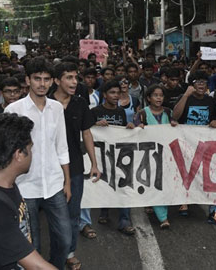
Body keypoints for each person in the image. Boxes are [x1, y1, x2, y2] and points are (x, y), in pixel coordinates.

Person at [4, 56, 72, 269]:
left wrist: (67, 181)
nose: (42, 84)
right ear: (27, 80)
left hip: (54, 185)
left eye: (46, 79)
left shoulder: (57, 109)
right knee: (31, 246)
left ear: (52, 81)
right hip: (25, 187)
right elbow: (7, 153)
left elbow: (62, 147)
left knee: (65, 240)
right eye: (37, 79)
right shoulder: (13, 111)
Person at [0, 113, 56, 270]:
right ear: (18, 154)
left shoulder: (2, 182)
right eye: (30, 149)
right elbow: (38, 267)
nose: (32, 154)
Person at [51, 62, 102, 269]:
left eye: (75, 78)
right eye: (69, 78)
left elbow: (87, 133)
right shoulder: (45, 103)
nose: (74, 82)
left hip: (75, 170)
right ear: (57, 81)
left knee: (72, 215)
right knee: (54, 218)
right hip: (50, 171)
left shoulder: (80, 104)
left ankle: (69, 252)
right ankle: (54, 256)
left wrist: (94, 163)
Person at [172, 71, 216, 225]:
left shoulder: (210, 101)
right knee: (185, 174)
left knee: (209, 175)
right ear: (191, 85)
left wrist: (215, 122)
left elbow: (214, 119)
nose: (200, 85)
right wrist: (185, 96)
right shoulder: (184, 98)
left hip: (204, 145)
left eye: (204, 82)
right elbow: (175, 116)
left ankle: (214, 211)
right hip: (186, 144)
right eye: (197, 82)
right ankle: (184, 200)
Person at [91, 80, 136, 235]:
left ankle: (124, 221)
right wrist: (95, 124)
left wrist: (129, 128)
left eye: (118, 93)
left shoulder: (121, 112)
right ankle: (104, 210)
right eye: (112, 93)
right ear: (104, 95)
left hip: (119, 155)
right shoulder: (95, 111)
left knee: (124, 185)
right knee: (105, 184)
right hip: (102, 156)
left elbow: (123, 132)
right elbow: (87, 132)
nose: (116, 96)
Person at [134, 84, 178, 229]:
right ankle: (163, 218)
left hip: (166, 155)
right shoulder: (142, 114)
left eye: (161, 95)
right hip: (148, 155)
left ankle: (155, 206)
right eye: (155, 95)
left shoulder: (168, 112)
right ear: (148, 98)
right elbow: (134, 131)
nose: (159, 98)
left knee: (163, 183)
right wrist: (138, 128)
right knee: (155, 182)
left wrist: (174, 124)